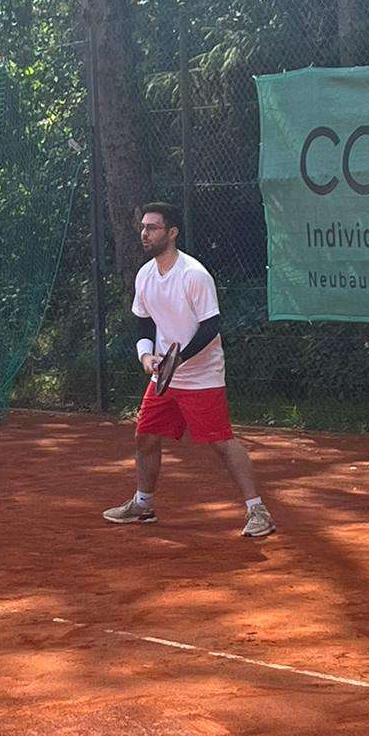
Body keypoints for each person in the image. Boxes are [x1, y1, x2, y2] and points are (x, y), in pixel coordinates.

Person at [103, 203, 276, 538]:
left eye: (152, 227)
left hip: (202, 376)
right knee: (145, 436)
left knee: (222, 442)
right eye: (143, 227)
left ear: (172, 233)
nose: (145, 233)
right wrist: (147, 358)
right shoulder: (145, 275)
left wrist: (178, 360)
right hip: (164, 376)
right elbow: (142, 323)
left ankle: (258, 510)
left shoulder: (193, 275)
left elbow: (211, 326)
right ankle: (143, 504)